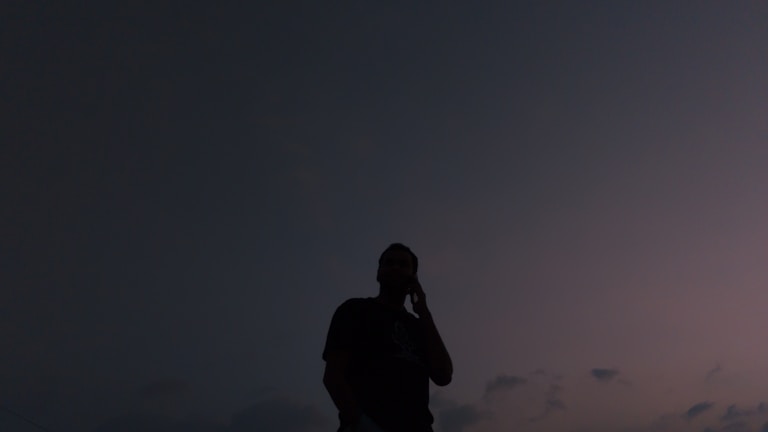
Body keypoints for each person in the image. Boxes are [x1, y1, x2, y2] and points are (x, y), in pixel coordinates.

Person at [322, 243, 453, 432]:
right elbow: (333, 376)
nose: (395, 267)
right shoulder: (354, 310)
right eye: (389, 263)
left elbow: (443, 375)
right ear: (378, 273)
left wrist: (423, 311)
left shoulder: (419, 326)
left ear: (413, 277)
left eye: (403, 264)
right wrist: (363, 424)